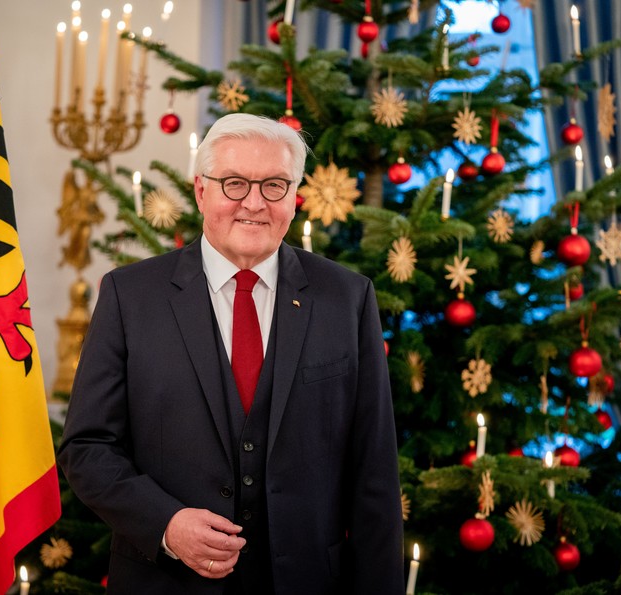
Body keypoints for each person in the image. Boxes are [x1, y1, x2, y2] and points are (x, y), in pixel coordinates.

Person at [57, 113, 403, 594]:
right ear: (201, 191)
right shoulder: (129, 297)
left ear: (295, 197)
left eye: (275, 186)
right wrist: (167, 525)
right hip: (166, 582)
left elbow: (375, 473)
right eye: (235, 184)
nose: (255, 204)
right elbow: (87, 449)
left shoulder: (347, 298)